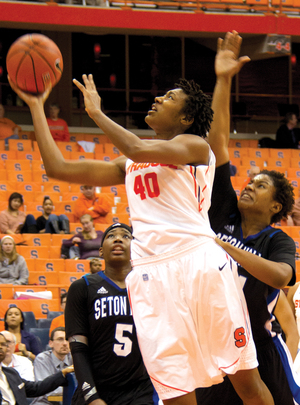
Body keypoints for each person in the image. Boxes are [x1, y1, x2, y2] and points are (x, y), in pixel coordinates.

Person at [8, 46, 276, 405]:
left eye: (167, 98)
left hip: (198, 264)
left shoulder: (195, 146)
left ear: (184, 119)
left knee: (246, 383)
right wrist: (37, 105)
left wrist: (97, 114)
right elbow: (58, 168)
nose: (156, 98)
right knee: (176, 394)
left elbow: (136, 146)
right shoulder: (130, 163)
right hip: (151, 279)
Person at [195, 31, 298, 405]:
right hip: (216, 344)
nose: (249, 186)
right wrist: (223, 79)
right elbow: (217, 143)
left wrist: (225, 246)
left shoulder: (277, 241)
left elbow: (281, 276)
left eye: (260, 185)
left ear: (276, 207)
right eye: (249, 181)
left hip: (260, 348)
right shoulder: (223, 207)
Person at [65, 222, 159, 405]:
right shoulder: (82, 287)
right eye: (111, 236)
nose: (118, 239)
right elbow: (78, 350)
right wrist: (92, 397)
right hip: (95, 389)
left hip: (139, 391)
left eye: (126, 236)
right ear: (100, 251)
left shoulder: (152, 288)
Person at [0, 332, 73, 405]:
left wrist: (63, 373)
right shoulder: (42, 358)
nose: (0, 347)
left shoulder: (11, 373)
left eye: (3, 344)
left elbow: (36, 388)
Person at [31, 327, 73, 405]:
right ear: (51, 343)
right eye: (60, 339)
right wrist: (72, 389)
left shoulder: (74, 358)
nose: (65, 343)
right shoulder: (42, 359)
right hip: (45, 402)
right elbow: (47, 390)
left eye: (67, 339)